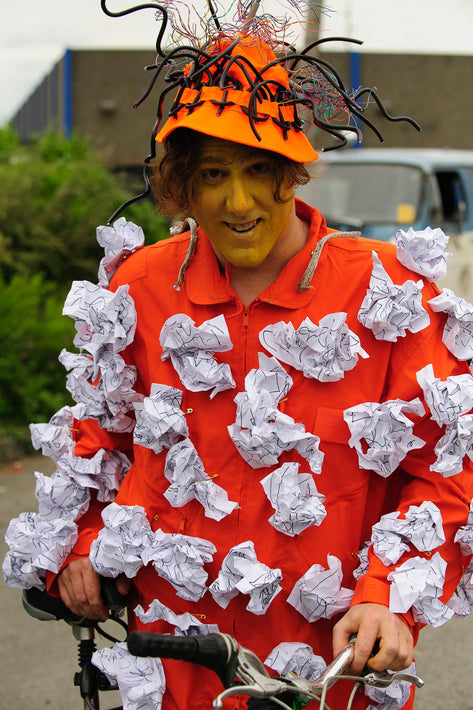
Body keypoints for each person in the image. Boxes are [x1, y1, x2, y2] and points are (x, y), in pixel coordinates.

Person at [5, 2, 473, 709]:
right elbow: (102, 434)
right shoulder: (140, 283)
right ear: (184, 181)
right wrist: (84, 543)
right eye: (214, 173)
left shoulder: (388, 292)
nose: (239, 200)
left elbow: (448, 468)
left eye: (260, 169)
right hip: (174, 654)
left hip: (331, 660)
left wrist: (386, 596)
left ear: (293, 171)